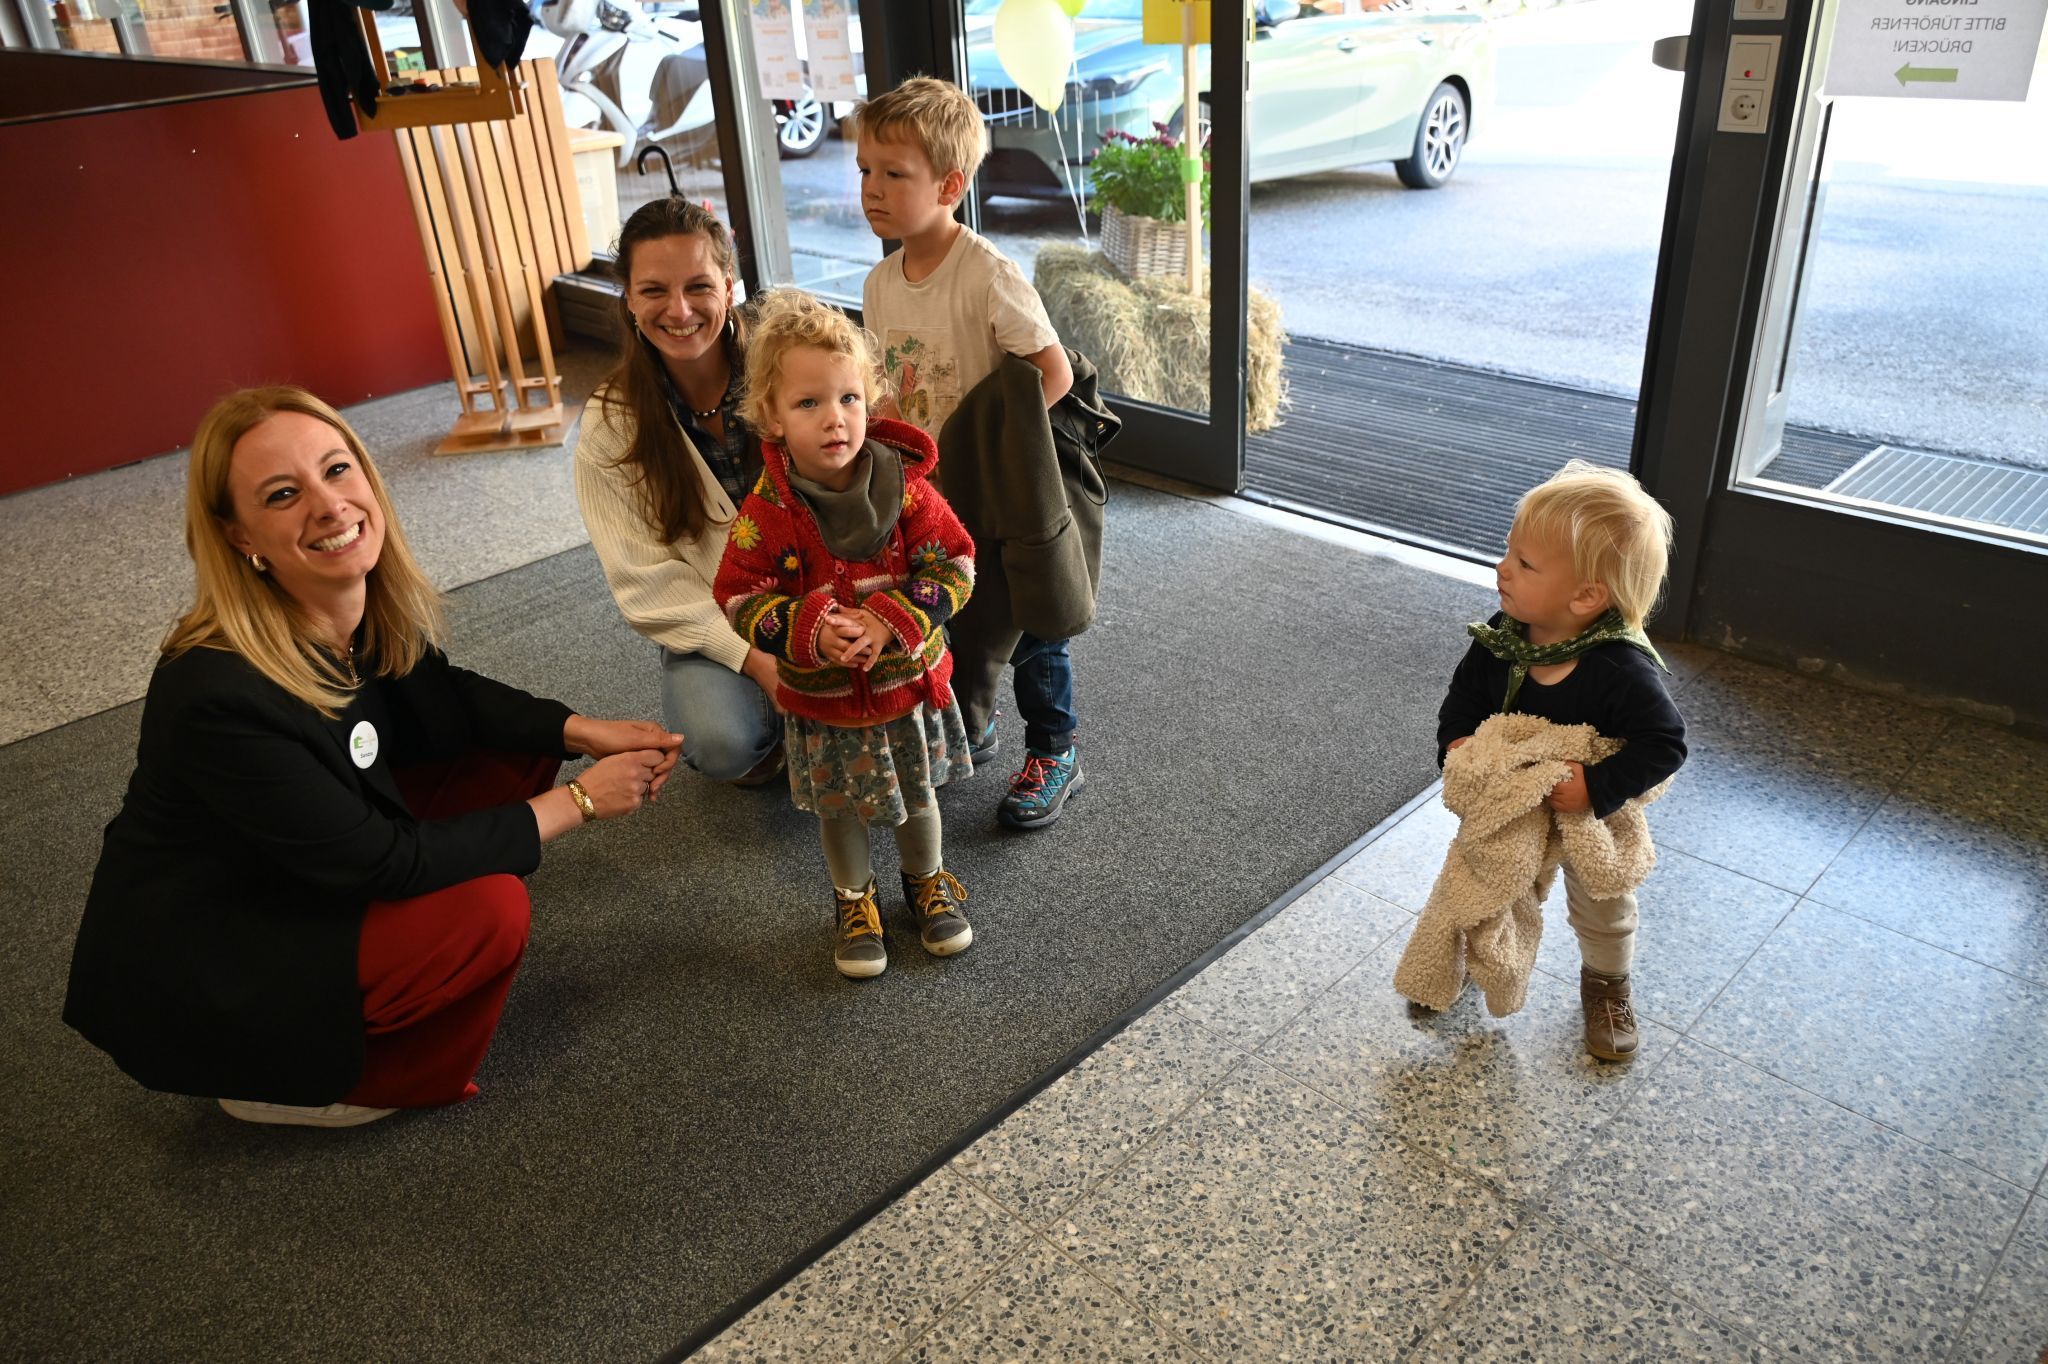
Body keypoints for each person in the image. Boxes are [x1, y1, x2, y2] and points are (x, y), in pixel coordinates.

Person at [63, 387, 682, 1128]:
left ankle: (394, 970)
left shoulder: (351, 604)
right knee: (489, 910)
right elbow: (381, 862)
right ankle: (318, 1077)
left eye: (336, 469)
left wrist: (582, 731)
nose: (330, 506)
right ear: (238, 536)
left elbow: (447, 698)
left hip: (304, 862)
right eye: (284, 494)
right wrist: (581, 800)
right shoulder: (216, 695)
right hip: (220, 946)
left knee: (509, 753)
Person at [712, 291, 977, 979]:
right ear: (772, 416)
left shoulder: (907, 489)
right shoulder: (766, 511)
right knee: (840, 810)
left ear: (869, 400)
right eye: (809, 403)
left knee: (919, 796)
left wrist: (892, 619)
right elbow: (737, 593)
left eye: (849, 398)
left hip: (903, 687)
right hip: (825, 702)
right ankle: (854, 902)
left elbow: (955, 564)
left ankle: (926, 883)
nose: (836, 418)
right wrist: (805, 630)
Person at [854, 77, 1088, 831]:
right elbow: (886, 388)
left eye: (894, 174)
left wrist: (997, 450)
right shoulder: (881, 283)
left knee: (1032, 624)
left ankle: (1055, 749)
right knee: (952, 613)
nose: (873, 189)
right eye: (865, 170)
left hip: (1002, 487)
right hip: (931, 491)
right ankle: (972, 727)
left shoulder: (987, 274)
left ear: (950, 186)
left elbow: (1053, 371)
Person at [1436, 459, 1687, 1061]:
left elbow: (1665, 743)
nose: (1503, 568)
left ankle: (1606, 983)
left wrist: (1596, 787)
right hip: (1513, 802)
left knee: (1603, 900)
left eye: (1525, 563)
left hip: (1585, 810)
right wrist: (1456, 744)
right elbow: (1464, 697)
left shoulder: (1620, 669)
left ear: (1586, 596)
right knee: (1484, 879)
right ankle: (1478, 957)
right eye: (1509, 551)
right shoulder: (1504, 635)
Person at [574, 196, 786, 787]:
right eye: (653, 291)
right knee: (721, 743)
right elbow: (647, 585)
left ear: (729, 285)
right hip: (715, 615)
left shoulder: (786, 368)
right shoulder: (611, 424)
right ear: (628, 298)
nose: (680, 310)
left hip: (822, 594)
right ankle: (775, 734)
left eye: (698, 286)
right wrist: (757, 663)